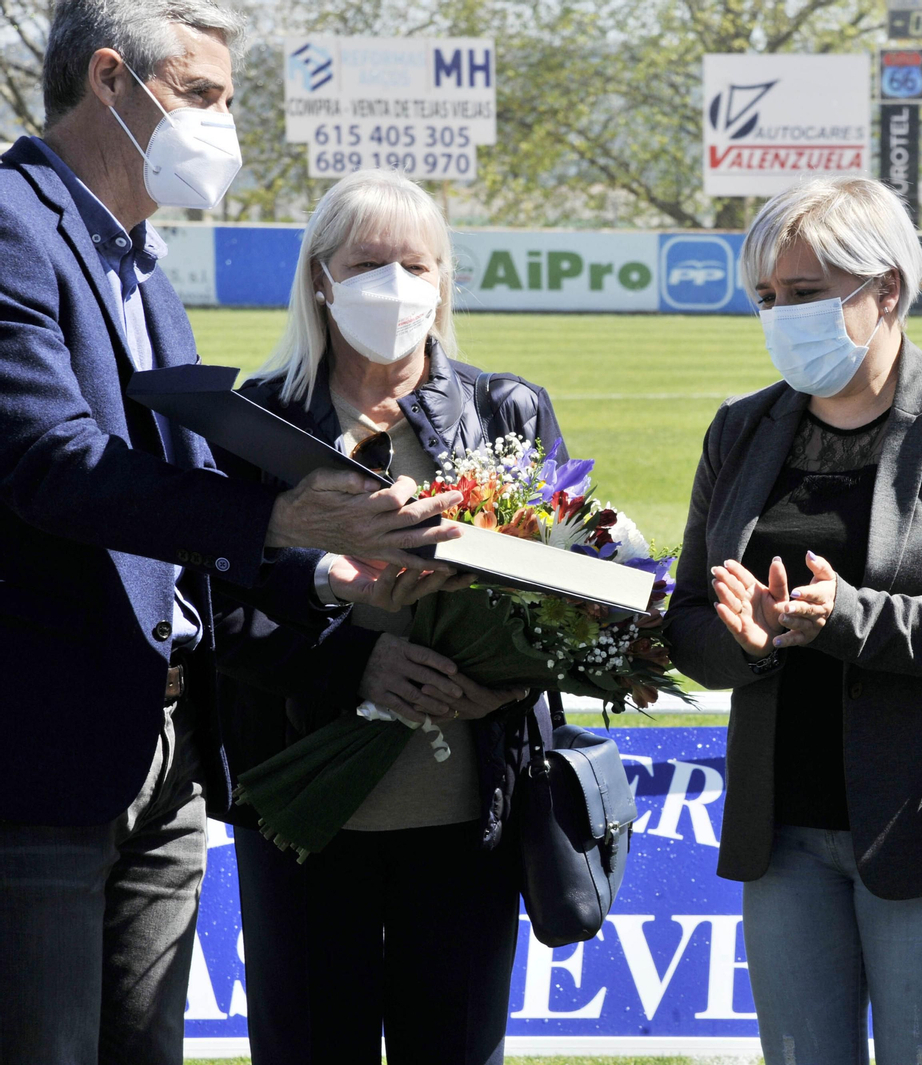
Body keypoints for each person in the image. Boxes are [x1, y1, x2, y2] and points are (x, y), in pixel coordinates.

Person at [0, 4, 470, 1062]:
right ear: (111, 82)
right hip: (40, 755)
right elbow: (45, 459)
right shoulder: (11, 226)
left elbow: (182, 492)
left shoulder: (140, 261)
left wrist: (323, 580)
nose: (223, 125)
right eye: (203, 96)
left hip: (163, 750)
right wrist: (269, 513)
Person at [664, 177, 922, 1064]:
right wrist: (746, 643)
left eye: (804, 293)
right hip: (782, 826)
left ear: (887, 290)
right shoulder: (739, 430)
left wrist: (844, 616)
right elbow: (688, 622)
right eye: (766, 297)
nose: (780, 315)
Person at [212, 168, 566, 1065]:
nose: (396, 286)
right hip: (303, 812)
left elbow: (564, 594)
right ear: (320, 279)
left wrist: (502, 679)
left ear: (446, 280)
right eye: (369, 262)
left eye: (418, 264)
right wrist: (352, 668)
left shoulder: (505, 409)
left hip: (464, 817)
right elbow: (214, 606)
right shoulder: (255, 419)